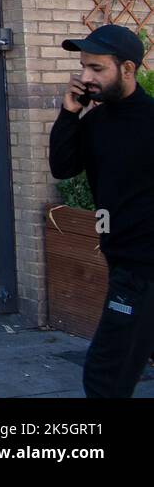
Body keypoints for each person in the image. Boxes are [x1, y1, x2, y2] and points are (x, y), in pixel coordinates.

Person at [49, 24, 154, 398]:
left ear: (127, 69)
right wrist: (68, 114)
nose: (86, 77)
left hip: (142, 268)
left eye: (97, 69)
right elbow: (62, 167)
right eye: (83, 67)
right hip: (121, 259)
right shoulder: (94, 121)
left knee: (105, 374)